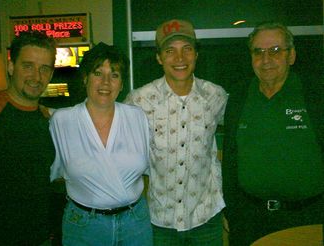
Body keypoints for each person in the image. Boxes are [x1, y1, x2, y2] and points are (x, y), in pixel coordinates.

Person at [125, 19, 228, 246]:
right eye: (170, 51)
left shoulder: (216, 96)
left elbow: (243, 123)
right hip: (159, 221)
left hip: (206, 217)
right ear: (159, 58)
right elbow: (108, 125)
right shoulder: (139, 100)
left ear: (196, 55)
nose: (180, 59)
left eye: (187, 49)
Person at [222, 21, 324, 245]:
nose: (266, 59)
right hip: (249, 219)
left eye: (276, 51)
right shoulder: (239, 96)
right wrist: (232, 210)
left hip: (307, 218)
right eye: (258, 52)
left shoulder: (315, 93)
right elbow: (229, 160)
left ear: (292, 55)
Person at [49, 42, 153, 246]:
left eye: (114, 75)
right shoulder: (62, 121)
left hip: (135, 222)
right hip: (84, 224)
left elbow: (148, 170)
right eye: (98, 73)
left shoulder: (137, 117)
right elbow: (54, 174)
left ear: (122, 84)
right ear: (85, 78)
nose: (106, 82)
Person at [0, 31, 57, 245]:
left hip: (39, 237)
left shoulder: (46, 118)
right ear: (11, 67)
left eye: (44, 68)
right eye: (27, 66)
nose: (36, 77)